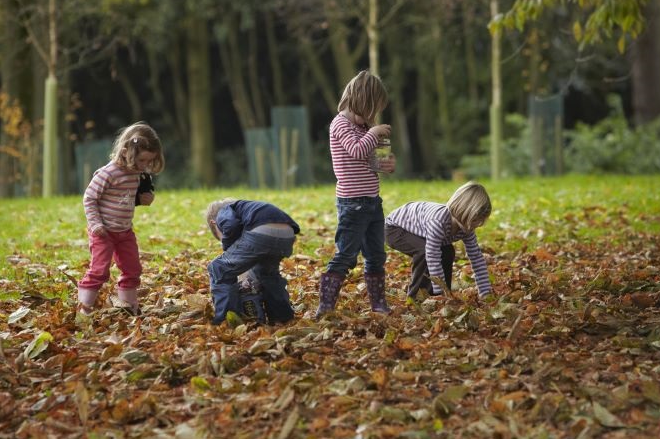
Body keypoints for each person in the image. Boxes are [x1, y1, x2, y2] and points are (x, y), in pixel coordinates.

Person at [315, 70, 395, 318]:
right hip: (352, 204)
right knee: (346, 254)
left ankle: (378, 303)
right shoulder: (340, 123)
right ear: (363, 102)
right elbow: (357, 150)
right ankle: (326, 305)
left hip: (372, 202)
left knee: (376, 254)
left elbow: (370, 160)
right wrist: (373, 133)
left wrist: (385, 163)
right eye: (372, 109)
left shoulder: (365, 127)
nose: (373, 117)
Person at [77, 122, 165, 315]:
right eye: (142, 160)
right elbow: (90, 198)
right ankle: (84, 308)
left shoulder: (137, 174)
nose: (144, 166)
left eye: (149, 162)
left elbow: (122, 200)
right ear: (126, 151)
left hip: (125, 231)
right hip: (103, 231)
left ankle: (128, 306)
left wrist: (142, 199)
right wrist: (95, 224)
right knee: (99, 271)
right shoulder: (108, 173)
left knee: (133, 269)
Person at [385, 181, 494, 301]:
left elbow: (476, 258)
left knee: (447, 252)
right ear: (463, 211)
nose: (477, 225)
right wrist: (440, 293)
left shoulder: (467, 228)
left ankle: (443, 293)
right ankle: (417, 297)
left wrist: (485, 292)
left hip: (420, 232)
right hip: (394, 229)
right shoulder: (438, 221)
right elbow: (432, 256)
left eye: (480, 221)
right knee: (424, 252)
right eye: (475, 220)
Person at [205, 198, 300, 325]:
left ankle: (226, 321)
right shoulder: (248, 210)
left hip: (261, 233)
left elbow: (231, 224)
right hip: (287, 234)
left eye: (220, 237)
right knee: (267, 274)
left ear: (214, 222)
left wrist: (227, 247)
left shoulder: (224, 212)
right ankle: (282, 317)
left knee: (219, 268)